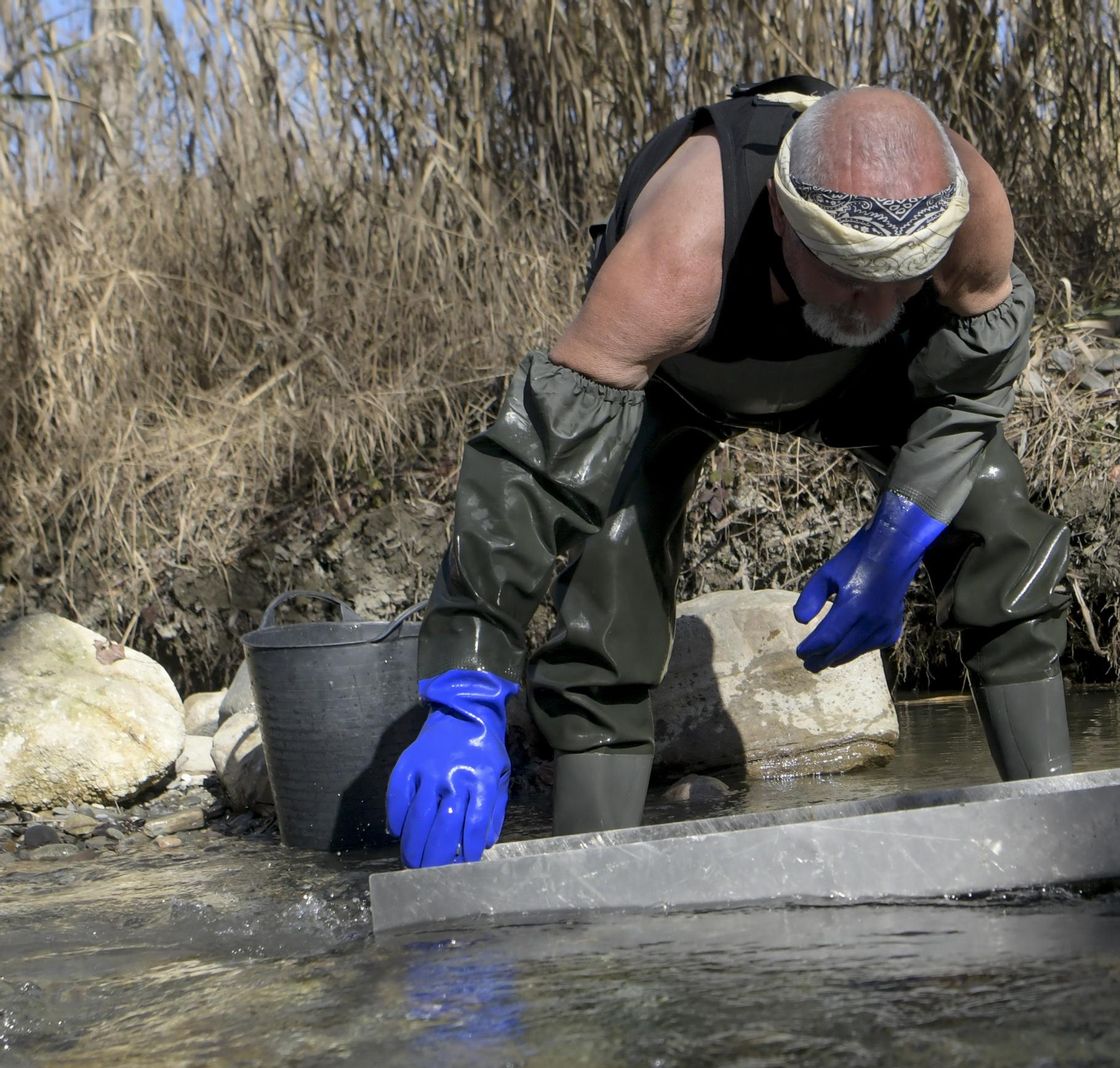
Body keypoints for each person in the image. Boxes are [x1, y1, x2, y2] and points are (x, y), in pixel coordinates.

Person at [385, 75, 1075, 870]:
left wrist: (898, 539)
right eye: (847, 270)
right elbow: (532, 472)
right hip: (671, 387)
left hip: (870, 381)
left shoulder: (969, 214)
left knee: (991, 506)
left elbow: (972, 387)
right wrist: (465, 690)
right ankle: (592, 863)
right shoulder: (678, 252)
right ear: (780, 214)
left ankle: (1056, 813)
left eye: (902, 276)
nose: (873, 301)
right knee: (611, 568)